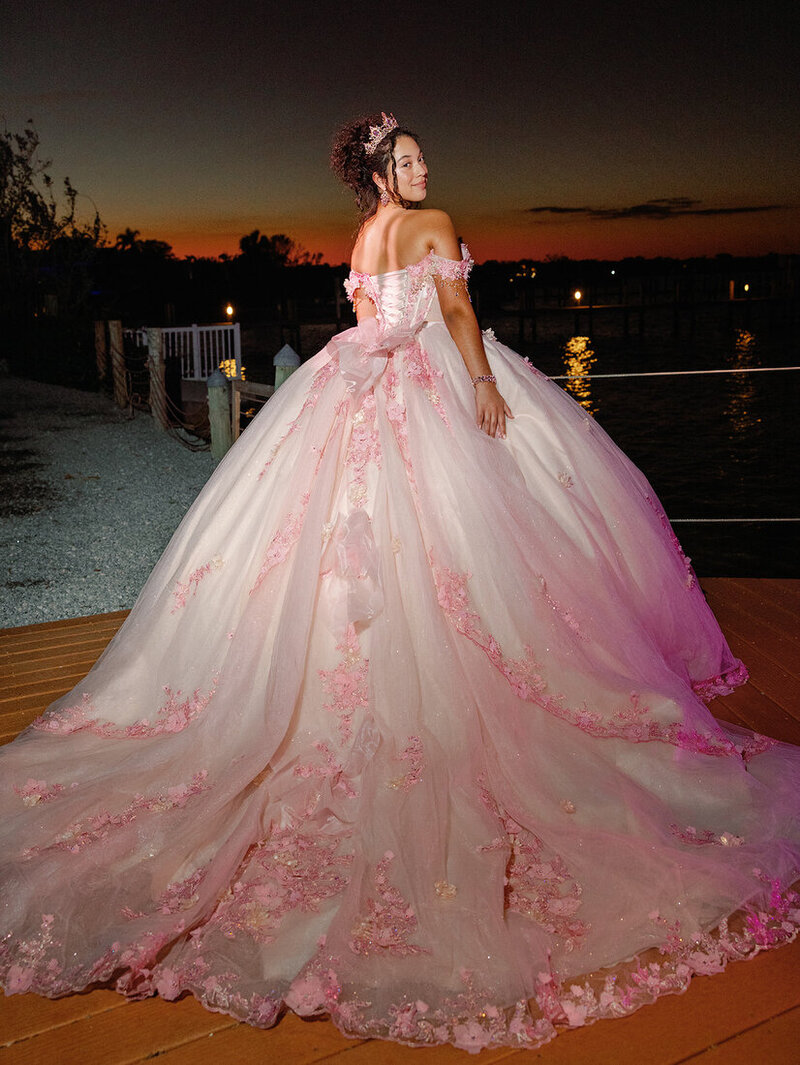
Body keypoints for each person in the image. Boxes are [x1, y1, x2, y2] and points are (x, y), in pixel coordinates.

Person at [1, 112, 798, 1055]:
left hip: (349, 390)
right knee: (476, 551)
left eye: (423, 159)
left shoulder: (365, 234)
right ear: (379, 169)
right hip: (423, 386)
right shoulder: (431, 223)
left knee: (339, 559)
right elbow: (458, 314)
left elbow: (370, 320)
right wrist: (484, 384)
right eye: (406, 160)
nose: (422, 170)